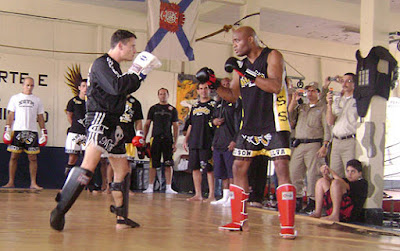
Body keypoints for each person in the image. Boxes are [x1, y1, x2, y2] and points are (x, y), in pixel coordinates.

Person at [50, 29, 161, 231]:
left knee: (123, 170)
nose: (134, 51)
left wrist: (140, 75)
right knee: (88, 167)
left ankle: (121, 217)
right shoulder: (102, 63)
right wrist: (137, 72)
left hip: (113, 122)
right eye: (132, 46)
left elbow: (122, 90)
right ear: (120, 45)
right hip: (100, 118)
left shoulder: (115, 67)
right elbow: (117, 87)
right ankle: (59, 210)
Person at [196, 26, 296, 238]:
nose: (234, 44)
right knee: (238, 167)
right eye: (233, 41)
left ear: (250, 40)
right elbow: (232, 95)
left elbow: (276, 86)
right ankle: (239, 221)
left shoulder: (272, 55)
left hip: (274, 122)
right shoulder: (240, 66)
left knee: (281, 168)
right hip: (249, 124)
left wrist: (245, 73)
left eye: (237, 40)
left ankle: (287, 224)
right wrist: (213, 84)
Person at [288, 82, 330, 214]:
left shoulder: (322, 108)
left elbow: (327, 127)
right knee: (294, 172)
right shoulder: (302, 107)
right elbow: (290, 117)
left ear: (318, 92)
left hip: (314, 144)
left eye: (313, 90)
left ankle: (313, 201)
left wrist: (325, 145)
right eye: (308, 90)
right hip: (300, 144)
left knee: (313, 174)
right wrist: (293, 102)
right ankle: (297, 200)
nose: (310, 93)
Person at [2, 77, 47, 190]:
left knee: (33, 158)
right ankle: (11, 182)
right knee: (14, 156)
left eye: (31, 85)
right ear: (23, 85)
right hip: (17, 130)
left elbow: (40, 116)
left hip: (32, 131)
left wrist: (43, 132)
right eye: (27, 85)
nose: (29, 87)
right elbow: (11, 115)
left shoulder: (37, 100)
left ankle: (33, 183)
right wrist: (7, 129)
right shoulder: (15, 98)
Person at [183, 82, 216, 203]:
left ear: (209, 90)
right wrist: (186, 139)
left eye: (205, 88)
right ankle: (198, 194)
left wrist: (214, 142)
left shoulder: (214, 105)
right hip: (194, 141)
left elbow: (216, 126)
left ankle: (211, 194)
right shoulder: (195, 106)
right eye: (201, 89)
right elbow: (190, 124)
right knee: (195, 168)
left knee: (208, 168)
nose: (203, 91)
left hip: (206, 141)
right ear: (198, 91)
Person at [142, 88, 179, 194]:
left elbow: (175, 127)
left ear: (168, 95)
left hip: (168, 139)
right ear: (158, 95)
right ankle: (150, 187)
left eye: (165, 94)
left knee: (168, 164)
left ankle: (168, 187)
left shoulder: (172, 109)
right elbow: (147, 124)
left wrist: (175, 143)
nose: (163, 96)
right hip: (155, 139)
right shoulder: (153, 108)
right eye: (161, 94)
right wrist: (143, 138)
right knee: (153, 164)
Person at [210, 78, 240, 206]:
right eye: (224, 85)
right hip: (218, 141)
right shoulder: (217, 104)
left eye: (228, 85)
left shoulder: (236, 103)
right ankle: (225, 195)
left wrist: (235, 141)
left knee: (231, 171)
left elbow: (240, 124)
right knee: (221, 172)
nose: (226, 86)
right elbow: (211, 121)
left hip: (230, 141)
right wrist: (214, 122)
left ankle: (233, 197)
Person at [326, 73, 358, 178]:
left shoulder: (358, 100)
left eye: (348, 81)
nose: (344, 84)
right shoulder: (337, 99)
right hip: (336, 141)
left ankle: (350, 194)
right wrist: (329, 105)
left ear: (354, 83)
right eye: (343, 81)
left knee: (350, 173)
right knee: (334, 173)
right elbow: (330, 121)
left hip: (349, 140)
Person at [64, 79, 88, 177]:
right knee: (72, 158)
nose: (85, 88)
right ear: (79, 87)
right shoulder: (73, 101)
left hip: (88, 134)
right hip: (75, 133)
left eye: (87, 86)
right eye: (83, 86)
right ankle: (68, 182)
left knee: (87, 159)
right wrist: (75, 125)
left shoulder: (92, 102)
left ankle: (88, 185)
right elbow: (69, 115)